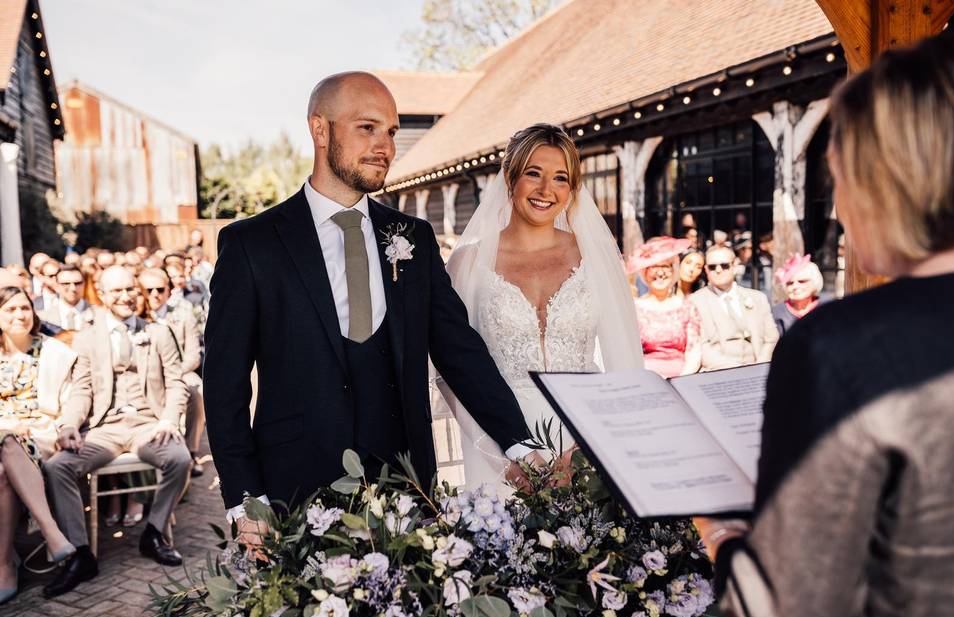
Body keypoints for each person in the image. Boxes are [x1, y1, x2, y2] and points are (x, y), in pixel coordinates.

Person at [694, 34, 954, 617]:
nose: (837, 206)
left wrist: (724, 537)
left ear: (887, 180)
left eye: (838, 175)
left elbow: (791, 614)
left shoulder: (840, 347)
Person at [203, 71, 537, 545]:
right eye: (367, 128)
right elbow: (224, 385)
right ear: (320, 130)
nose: (385, 145)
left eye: (392, 131)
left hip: (405, 488)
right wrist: (244, 500)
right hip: (293, 491)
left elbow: (461, 353)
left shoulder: (413, 240)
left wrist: (520, 445)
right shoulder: (251, 244)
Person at [444, 123, 645, 491]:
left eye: (560, 179)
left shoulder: (596, 257)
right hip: (500, 441)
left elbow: (625, 365)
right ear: (510, 177)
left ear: (572, 189)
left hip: (587, 438)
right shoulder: (467, 263)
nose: (545, 190)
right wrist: (501, 457)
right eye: (533, 174)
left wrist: (589, 450)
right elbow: (451, 370)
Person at [43, 266, 191, 598]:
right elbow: (82, 390)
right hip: (104, 428)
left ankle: (153, 533)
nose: (125, 297)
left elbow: (177, 383)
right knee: (57, 466)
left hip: (147, 424)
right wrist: (69, 425)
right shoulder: (87, 337)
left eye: (130, 290)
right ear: (103, 294)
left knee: (180, 458)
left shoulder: (158, 332)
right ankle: (80, 555)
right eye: (117, 291)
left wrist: (169, 419)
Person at [0, 287, 78, 605]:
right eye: (10, 310)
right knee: (4, 454)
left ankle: (5, 566)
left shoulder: (53, 352)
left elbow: (71, 399)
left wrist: (67, 426)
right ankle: (50, 532)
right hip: (4, 433)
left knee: (7, 453)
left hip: (40, 432)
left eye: (25, 308)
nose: (20, 315)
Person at [139, 268, 205, 477]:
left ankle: (191, 450)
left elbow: (194, 356)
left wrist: (173, 372)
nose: (155, 294)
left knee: (197, 391)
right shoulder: (137, 318)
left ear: (168, 290)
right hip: (145, 373)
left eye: (160, 289)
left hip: (180, 371)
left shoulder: (183, 317)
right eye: (149, 290)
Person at [689, 244, 778, 371]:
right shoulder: (696, 301)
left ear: (735, 266)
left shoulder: (758, 298)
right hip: (718, 373)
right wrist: (736, 371)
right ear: (706, 270)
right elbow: (703, 348)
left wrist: (760, 366)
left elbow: (772, 339)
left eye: (724, 265)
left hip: (758, 370)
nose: (718, 270)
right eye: (712, 267)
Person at [627, 237, 701, 378]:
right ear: (645, 272)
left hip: (682, 379)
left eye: (665, 266)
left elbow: (694, 351)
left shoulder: (687, 307)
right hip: (647, 378)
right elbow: (629, 352)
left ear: (673, 271)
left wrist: (682, 379)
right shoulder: (635, 308)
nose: (660, 273)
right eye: (654, 267)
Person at [771, 254, 826, 335]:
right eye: (790, 283)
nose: (795, 286)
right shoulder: (777, 313)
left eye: (802, 281)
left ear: (815, 281)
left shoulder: (826, 308)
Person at [38, 265, 93, 332]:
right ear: (56, 286)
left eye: (77, 283)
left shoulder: (99, 315)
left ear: (84, 284)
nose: (73, 288)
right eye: (66, 284)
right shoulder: (43, 318)